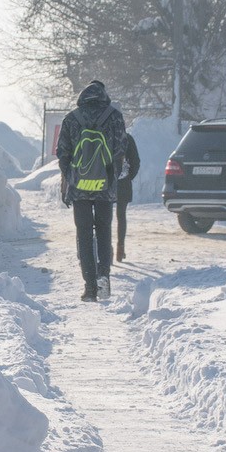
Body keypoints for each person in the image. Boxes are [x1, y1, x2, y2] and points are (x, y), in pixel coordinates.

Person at [56, 80, 127, 302]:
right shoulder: (114, 117)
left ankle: (89, 286)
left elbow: (63, 153)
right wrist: (111, 176)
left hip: (80, 189)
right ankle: (103, 275)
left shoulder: (72, 119)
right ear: (103, 95)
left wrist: (72, 176)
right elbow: (120, 150)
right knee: (104, 231)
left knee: (84, 235)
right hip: (105, 188)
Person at [114, 130, 141, 262]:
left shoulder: (104, 134)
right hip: (123, 181)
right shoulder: (127, 138)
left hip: (105, 182)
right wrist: (129, 177)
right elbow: (135, 160)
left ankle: (106, 249)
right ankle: (120, 248)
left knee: (103, 217)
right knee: (121, 215)